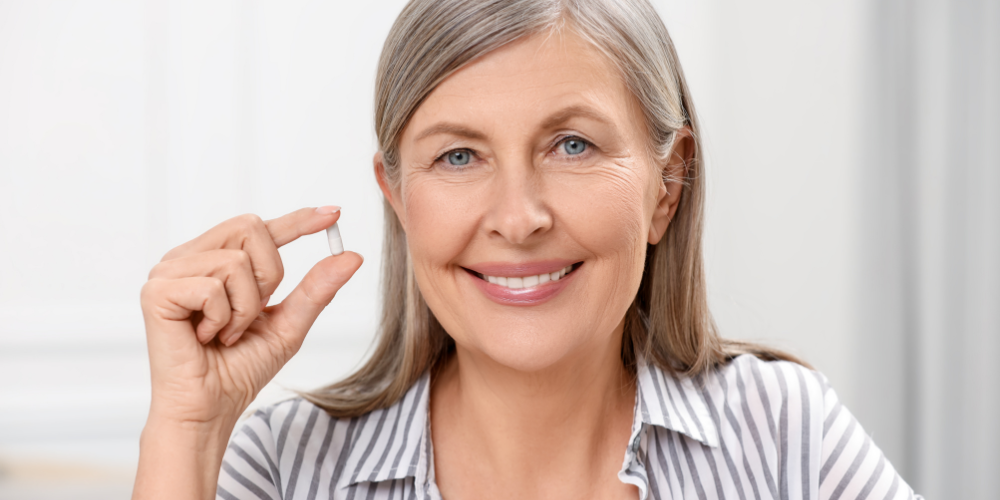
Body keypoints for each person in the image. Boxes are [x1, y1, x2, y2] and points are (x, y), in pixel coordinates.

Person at [132, 0, 922, 499]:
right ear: (398, 195)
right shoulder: (283, 469)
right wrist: (188, 432)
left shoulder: (783, 434)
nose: (518, 218)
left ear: (667, 185)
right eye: (459, 156)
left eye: (572, 145)